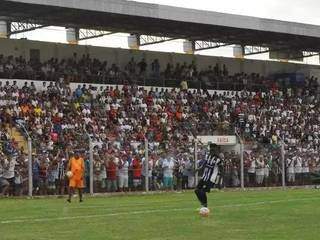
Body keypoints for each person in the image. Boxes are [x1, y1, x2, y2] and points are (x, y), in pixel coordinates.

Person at [194, 143, 222, 208]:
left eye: (213, 150)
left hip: (211, 179)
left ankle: (205, 205)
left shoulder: (218, 159)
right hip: (204, 177)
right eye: (211, 149)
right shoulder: (208, 156)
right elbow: (205, 164)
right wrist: (198, 169)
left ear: (215, 150)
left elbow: (221, 171)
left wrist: (219, 182)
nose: (211, 151)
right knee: (196, 190)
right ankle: (203, 203)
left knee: (202, 191)